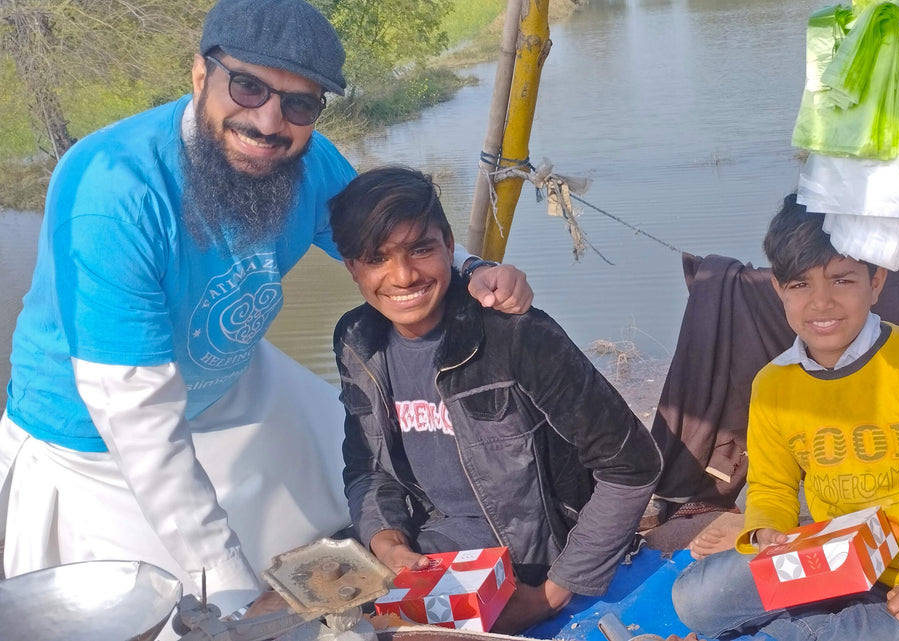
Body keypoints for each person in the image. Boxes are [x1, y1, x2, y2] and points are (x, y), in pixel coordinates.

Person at [0, 0, 532, 617]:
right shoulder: (114, 192)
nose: (269, 121)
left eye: (299, 103)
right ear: (201, 74)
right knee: (184, 609)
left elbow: (386, 245)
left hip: (233, 379)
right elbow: (137, 416)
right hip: (98, 436)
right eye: (248, 86)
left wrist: (473, 271)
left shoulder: (305, 162)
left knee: (371, 495)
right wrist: (224, 579)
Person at [329, 166, 662, 632]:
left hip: (524, 569)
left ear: (449, 245)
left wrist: (551, 594)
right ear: (351, 267)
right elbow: (368, 468)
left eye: (420, 250)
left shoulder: (517, 334)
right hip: (427, 561)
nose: (403, 276)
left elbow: (632, 464)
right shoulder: (357, 340)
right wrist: (387, 544)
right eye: (376, 258)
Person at [671, 195, 899, 641]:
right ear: (778, 288)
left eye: (841, 280)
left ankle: (796, 632)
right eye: (800, 285)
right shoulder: (773, 386)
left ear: (876, 280)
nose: (821, 303)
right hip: (827, 562)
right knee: (694, 600)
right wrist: (768, 533)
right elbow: (772, 485)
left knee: (874, 632)